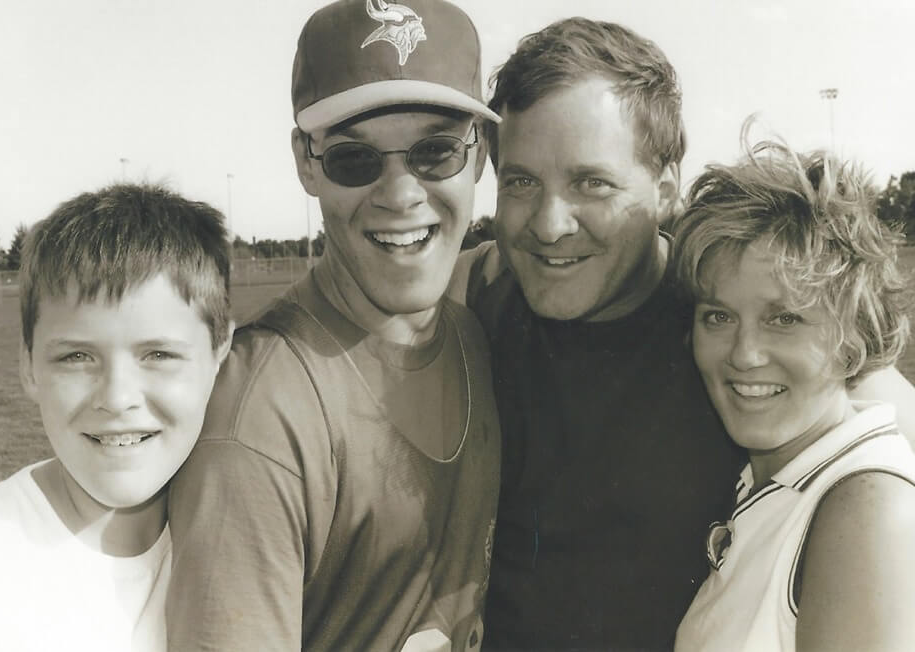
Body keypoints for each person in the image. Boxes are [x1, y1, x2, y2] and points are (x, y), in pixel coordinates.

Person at [449, 17, 915, 650]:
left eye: (593, 183)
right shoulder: (472, 301)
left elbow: (873, 421)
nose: (550, 223)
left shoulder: (725, 328)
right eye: (522, 182)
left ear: (666, 188)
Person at [166, 0, 501, 649]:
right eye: (354, 159)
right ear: (306, 162)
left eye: (435, 152)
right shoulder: (261, 418)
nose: (401, 194)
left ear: (479, 155)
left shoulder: (473, 336)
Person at [0, 183, 233, 651]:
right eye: (77, 357)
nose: (118, 397)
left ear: (219, 355)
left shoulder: (252, 536)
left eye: (159, 354)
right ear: (28, 367)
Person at [673, 130, 915, 651]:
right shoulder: (784, 478)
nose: (744, 353)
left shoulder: (866, 509)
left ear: (853, 337)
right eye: (718, 316)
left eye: (784, 318)